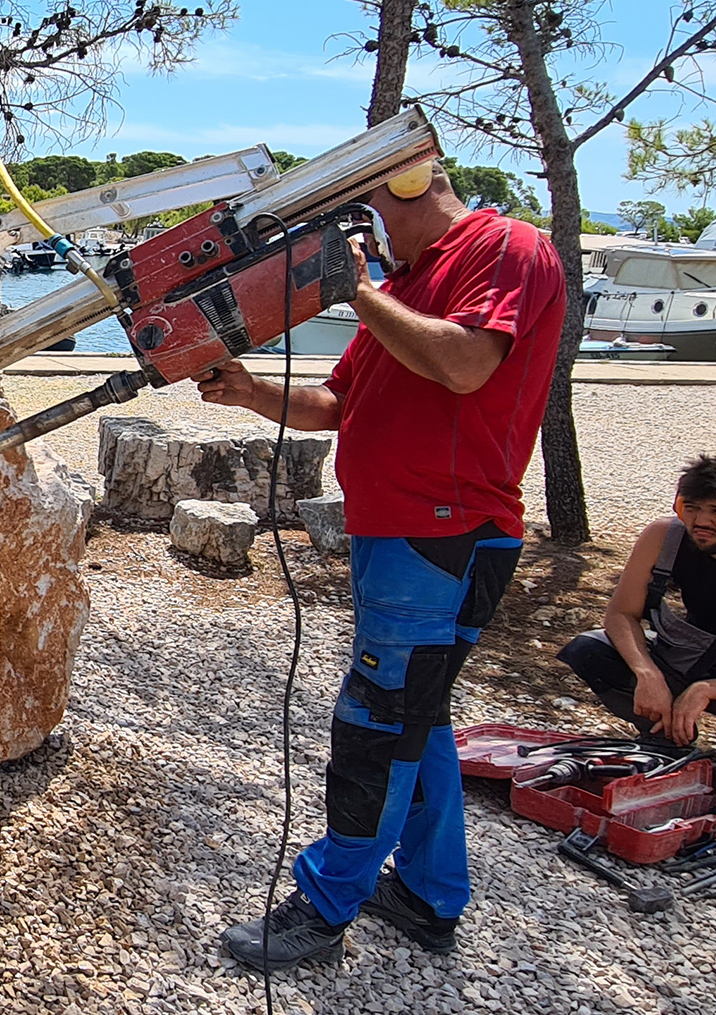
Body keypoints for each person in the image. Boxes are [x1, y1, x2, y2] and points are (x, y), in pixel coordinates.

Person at [194, 159, 565, 971]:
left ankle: (325, 908)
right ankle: (430, 897)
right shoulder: (413, 284)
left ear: (412, 185)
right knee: (417, 716)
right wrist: (252, 391)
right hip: (397, 533)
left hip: (444, 533)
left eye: (373, 215)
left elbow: (468, 364)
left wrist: (358, 290)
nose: (369, 237)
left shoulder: (505, 247)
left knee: (376, 720)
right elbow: (335, 405)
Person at [557, 456, 716, 744]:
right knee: (590, 650)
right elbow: (621, 615)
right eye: (692, 508)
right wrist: (648, 674)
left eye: (715, 511)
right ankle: (668, 740)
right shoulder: (664, 537)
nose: (702, 521)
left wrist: (705, 690)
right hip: (694, 658)